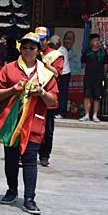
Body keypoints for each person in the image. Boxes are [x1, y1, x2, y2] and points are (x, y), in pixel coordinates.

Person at [0, 32, 58, 215]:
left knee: (30, 160)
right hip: (12, 123)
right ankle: (12, 190)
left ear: (38, 51)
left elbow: (53, 102)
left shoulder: (46, 73)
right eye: (25, 47)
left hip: (34, 123)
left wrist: (42, 93)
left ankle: (29, 198)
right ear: (20, 49)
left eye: (32, 48)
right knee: (11, 160)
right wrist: (13, 90)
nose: (28, 51)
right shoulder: (9, 69)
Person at [35, 27, 64, 168]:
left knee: (48, 128)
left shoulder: (55, 55)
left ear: (47, 40)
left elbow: (57, 74)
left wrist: (45, 63)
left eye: (42, 40)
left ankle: (45, 155)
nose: (40, 43)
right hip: (33, 94)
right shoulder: (30, 51)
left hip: (48, 94)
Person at [80, 33, 108, 122]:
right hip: (88, 77)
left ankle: (95, 115)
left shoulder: (103, 52)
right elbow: (83, 65)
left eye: (98, 40)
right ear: (91, 42)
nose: (97, 42)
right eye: (95, 40)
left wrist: (103, 76)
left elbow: (106, 65)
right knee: (87, 96)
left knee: (97, 96)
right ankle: (87, 115)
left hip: (99, 78)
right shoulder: (87, 52)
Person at [54, 35, 71, 119]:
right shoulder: (62, 49)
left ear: (57, 43)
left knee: (62, 94)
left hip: (64, 74)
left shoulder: (61, 51)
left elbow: (60, 66)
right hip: (63, 74)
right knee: (60, 94)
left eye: (53, 44)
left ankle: (62, 112)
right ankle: (58, 111)